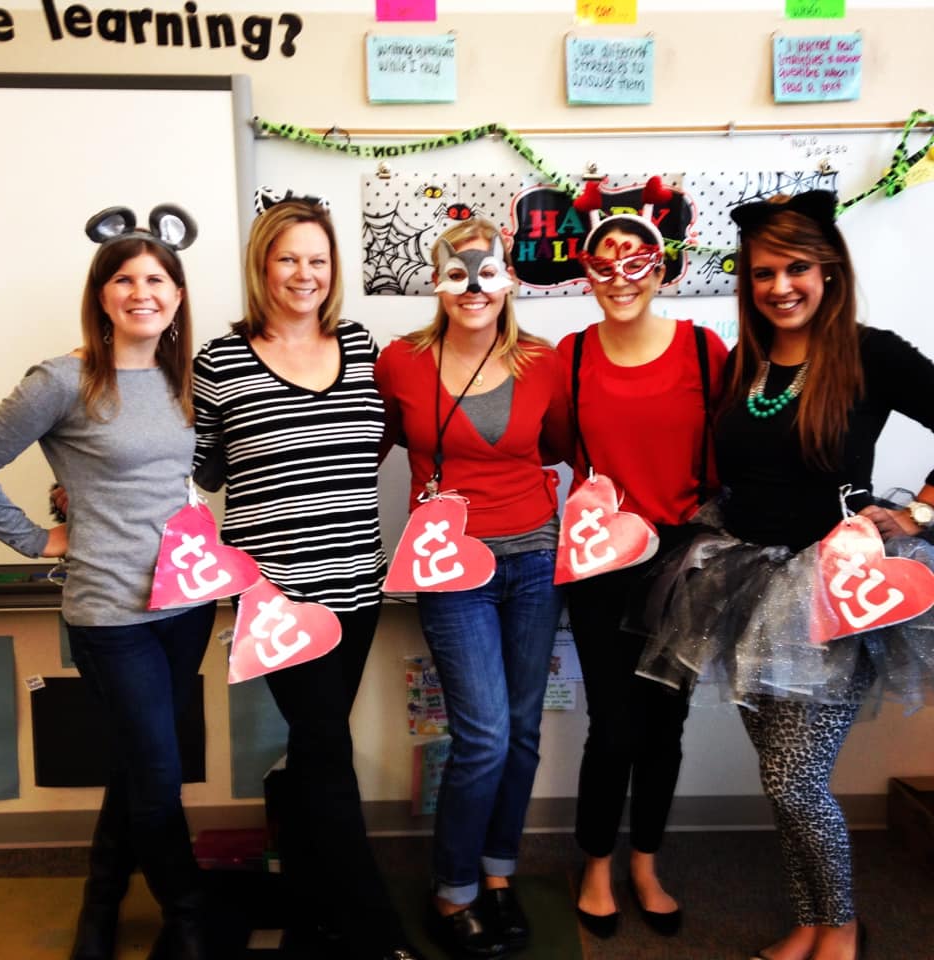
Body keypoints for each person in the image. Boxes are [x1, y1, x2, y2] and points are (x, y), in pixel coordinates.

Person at [638, 190, 934, 960]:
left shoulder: (873, 355)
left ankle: (840, 925)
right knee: (780, 777)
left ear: (829, 270)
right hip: (743, 584)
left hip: (833, 590)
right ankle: (809, 919)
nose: (780, 286)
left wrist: (920, 513)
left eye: (796, 267)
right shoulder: (745, 362)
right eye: (764, 272)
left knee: (796, 780)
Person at [0, 205, 216, 960]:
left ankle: (101, 899)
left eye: (157, 278)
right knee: (159, 769)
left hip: (187, 602)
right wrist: (35, 536)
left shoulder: (188, 377)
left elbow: (189, 477)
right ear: (101, 293)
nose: (142, 291)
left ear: (177, 295)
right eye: (124, 278)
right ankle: (188, 915)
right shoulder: (63, 378)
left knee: (142, 763)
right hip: (111, 610)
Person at [191, 192, 422, 960]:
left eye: (317, 259)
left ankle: (312, 906)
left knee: (317, 744)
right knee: (326, 747)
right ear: (263, 265)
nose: (304, 273)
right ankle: (372, 931)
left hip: (359, 581)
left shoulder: (360, 346)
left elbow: (380, 441)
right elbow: (193, 472)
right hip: (278, 596)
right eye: (288, 257)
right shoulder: (221, 362)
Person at [375, 218, 569, 958]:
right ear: (436, 279)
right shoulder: (401, 362)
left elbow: (556, 449)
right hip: (450, 566)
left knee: (520, 731)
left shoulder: (543, 363)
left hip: (533, 562)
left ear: (510, 279)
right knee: (484, 734)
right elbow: (369, 440)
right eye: (458, 273)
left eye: (488, 273)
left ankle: (497, 877)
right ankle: (452, 890)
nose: (474, 287)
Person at [555, 208, 727, 939]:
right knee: (614, 727)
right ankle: (597, 862)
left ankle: (646, 862)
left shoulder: (701, 350)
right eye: (604, 262)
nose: (620, 277)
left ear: (661, 269)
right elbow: (564, 448)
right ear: (585, 271)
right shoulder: (569, 356)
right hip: (599, 560)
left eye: (637, 262)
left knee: (665, 725)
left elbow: (729, 454)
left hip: (685, 559)